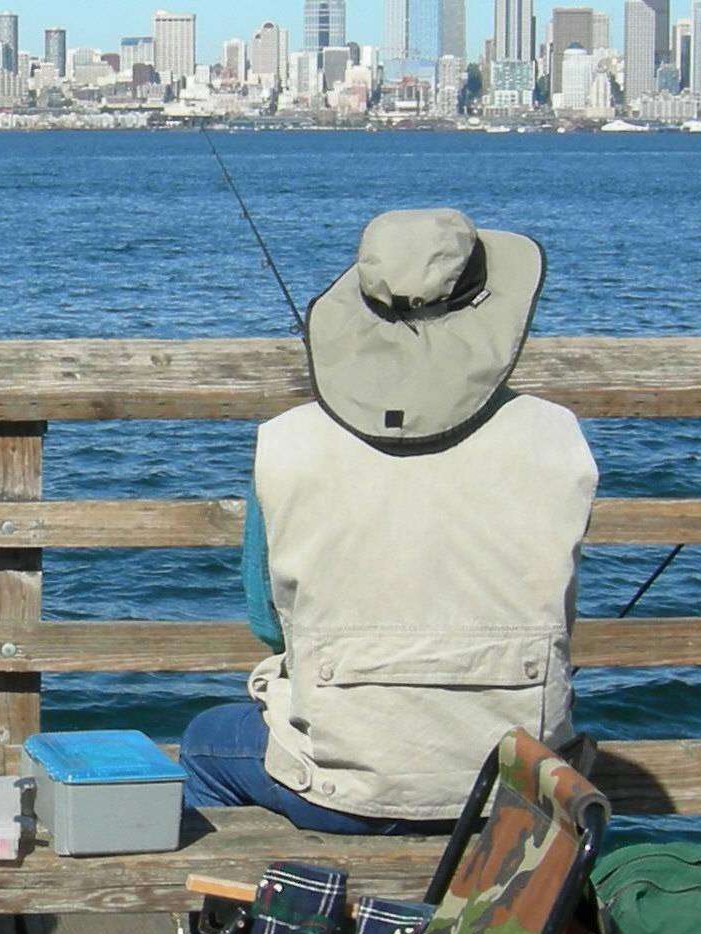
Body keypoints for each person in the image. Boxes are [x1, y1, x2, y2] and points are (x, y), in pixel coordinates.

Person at [179, 208, 597, 831]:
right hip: (515, 783)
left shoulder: (287, 441)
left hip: (338, 786)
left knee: (205, 741)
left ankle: (249, 914)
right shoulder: (558, 433)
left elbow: (269, 622)